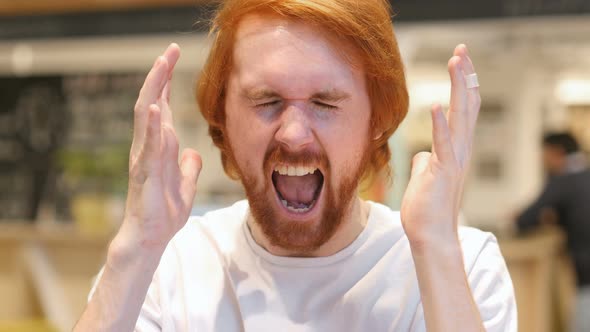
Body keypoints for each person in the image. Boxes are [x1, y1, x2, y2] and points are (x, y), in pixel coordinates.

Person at [74, 0, 516, 331]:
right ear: (223, 116)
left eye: (325, 102)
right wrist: (136, 249)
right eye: (266, 100)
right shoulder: (168, 266)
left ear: (376, 121)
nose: (293, 134)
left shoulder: (463, 265)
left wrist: (436, 249)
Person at [516, 132, 590, 332]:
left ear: (556, 152)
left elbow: (525, 220)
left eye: (544, 153)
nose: (542, 159)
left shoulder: (563, 179)